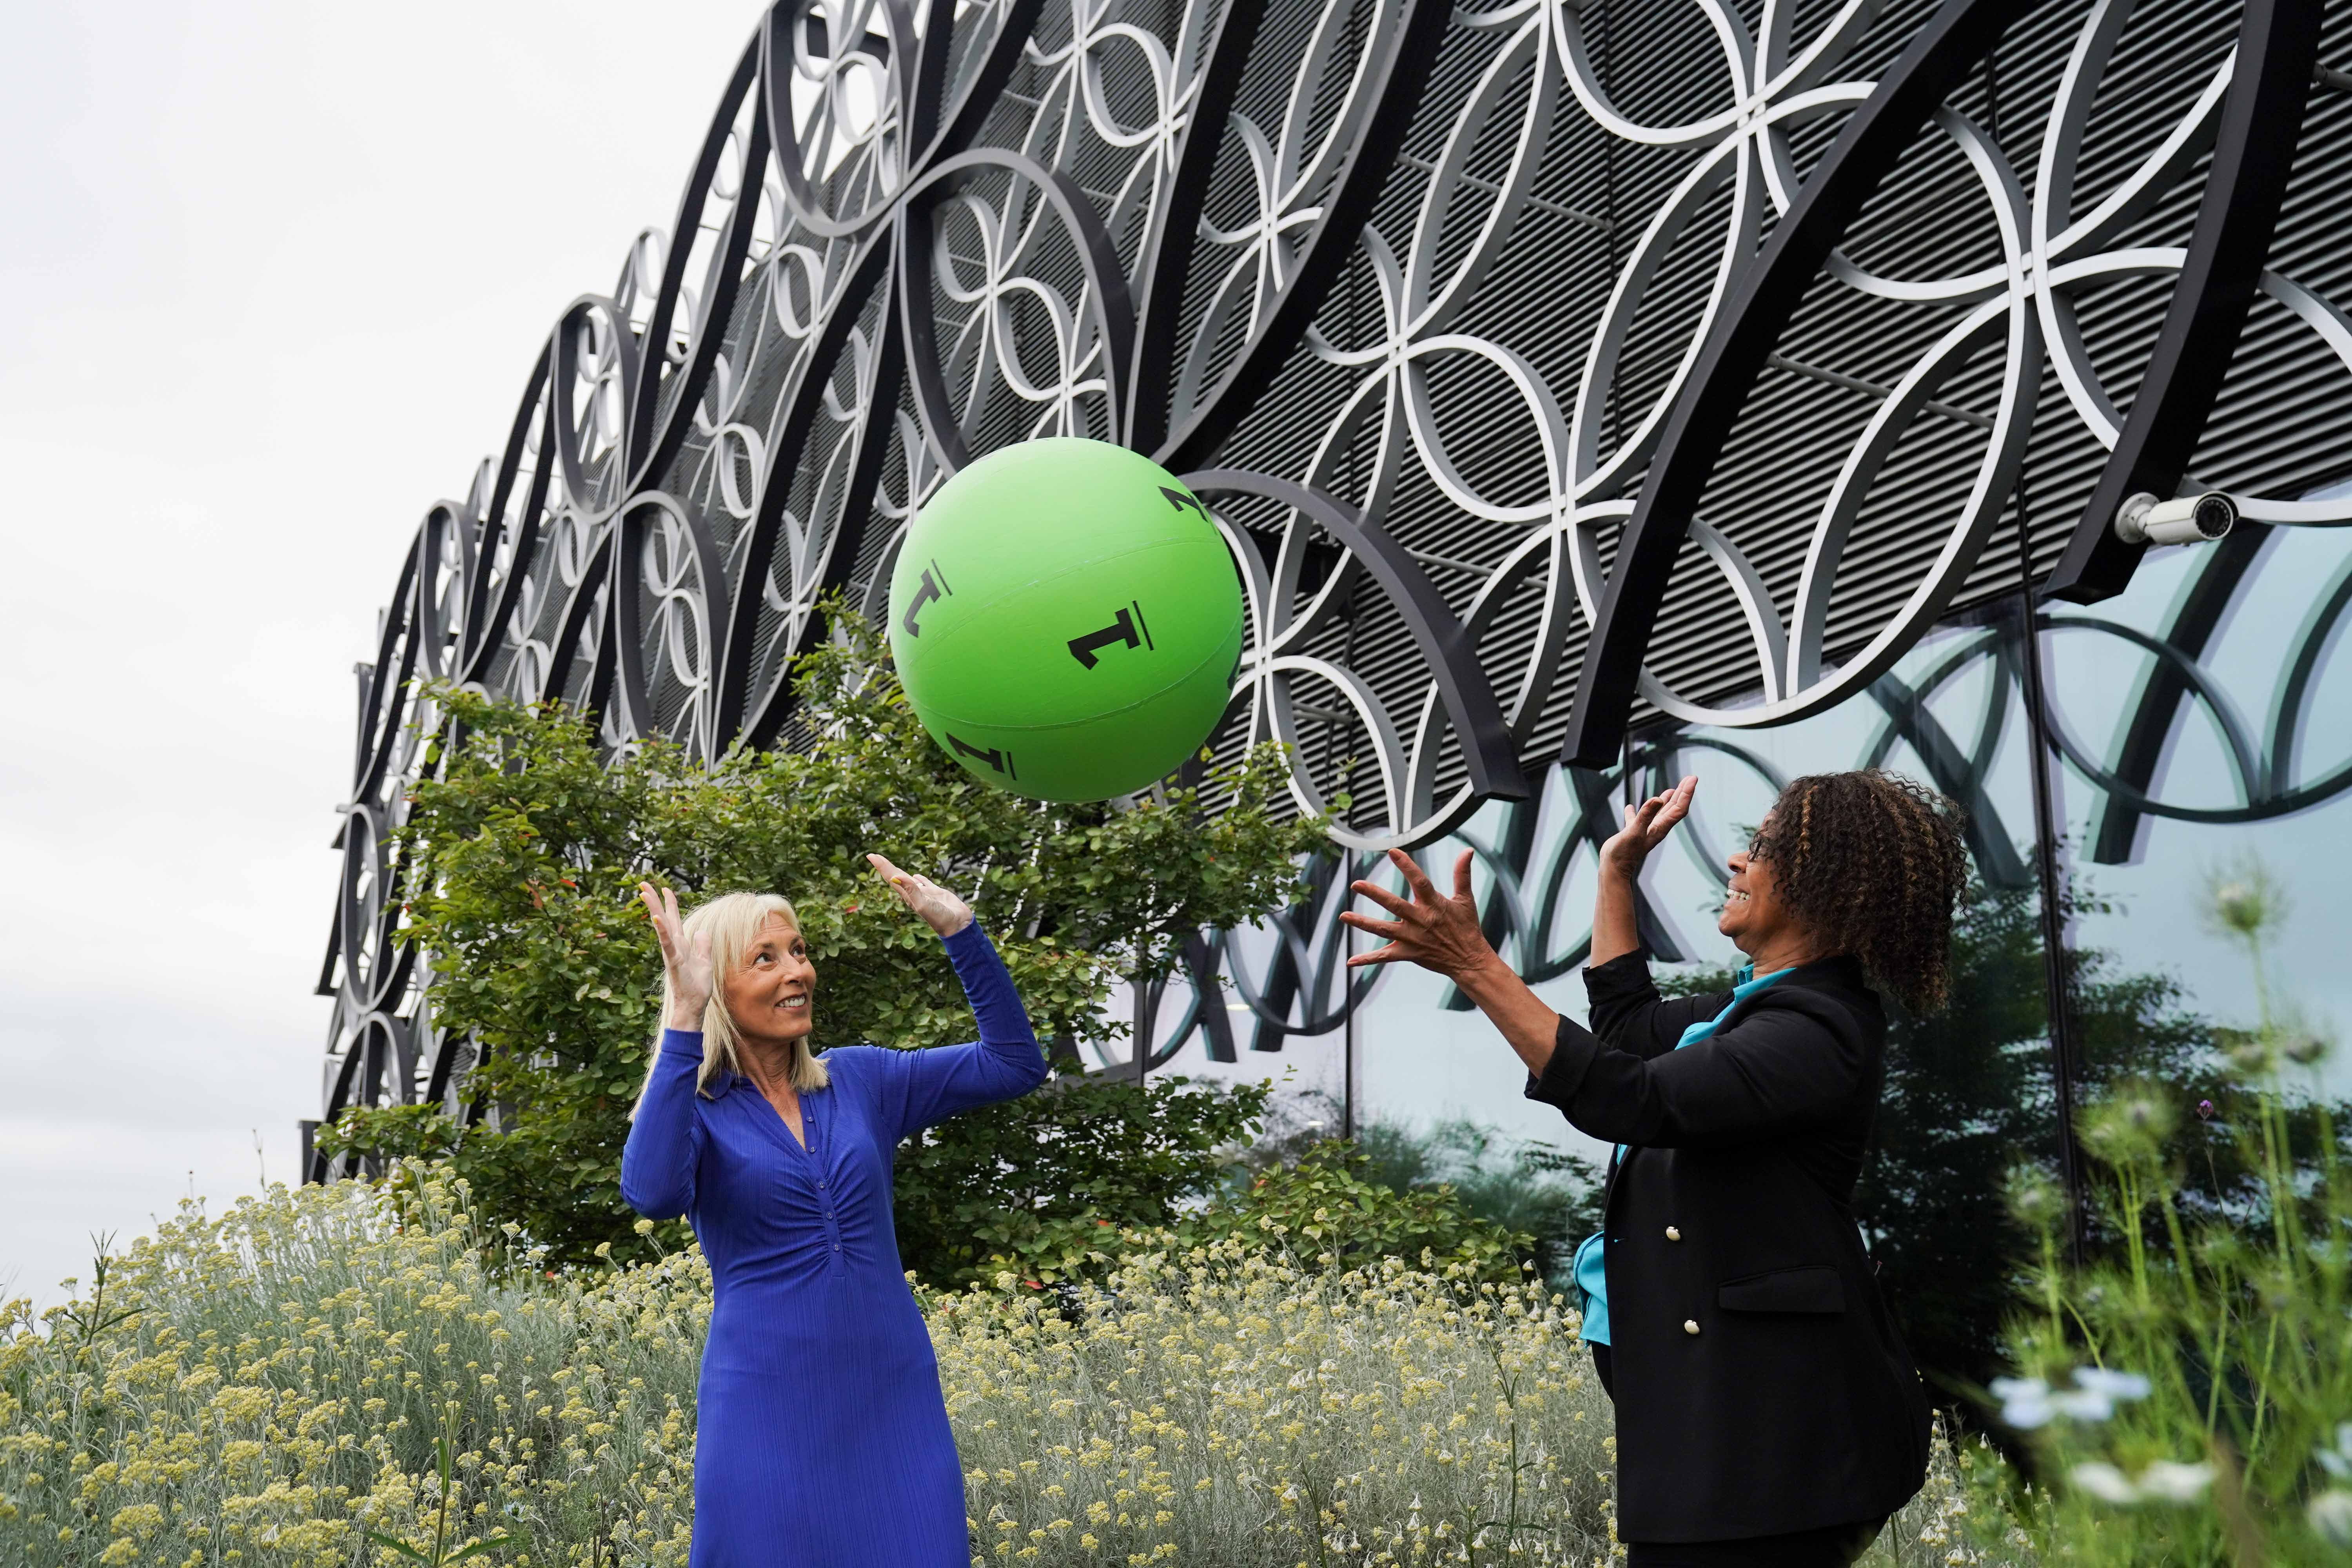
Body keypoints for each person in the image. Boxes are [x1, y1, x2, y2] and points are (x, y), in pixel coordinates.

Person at [1342, 769, 1966, 1567]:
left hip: (1783, 1444)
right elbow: (1630, 1027)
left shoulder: (1819, 1028)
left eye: (1768, 846)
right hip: (1718, 1433)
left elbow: (1628, 1094)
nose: (1738, 859)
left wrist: (1477, 966)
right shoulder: (1744, 1013)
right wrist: (1615, 873)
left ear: (1829, 883)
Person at [621, 854, 1048, 1568]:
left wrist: (961, 932)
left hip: (893, 1400)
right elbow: (654, 1194)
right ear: (718, 986)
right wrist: (684, 1019)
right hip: (766, 1409)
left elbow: (1014, 1063)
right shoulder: (695, 1110)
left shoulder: (862, 1081)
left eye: (799, 951)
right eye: (766, 958)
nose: (797, 972)